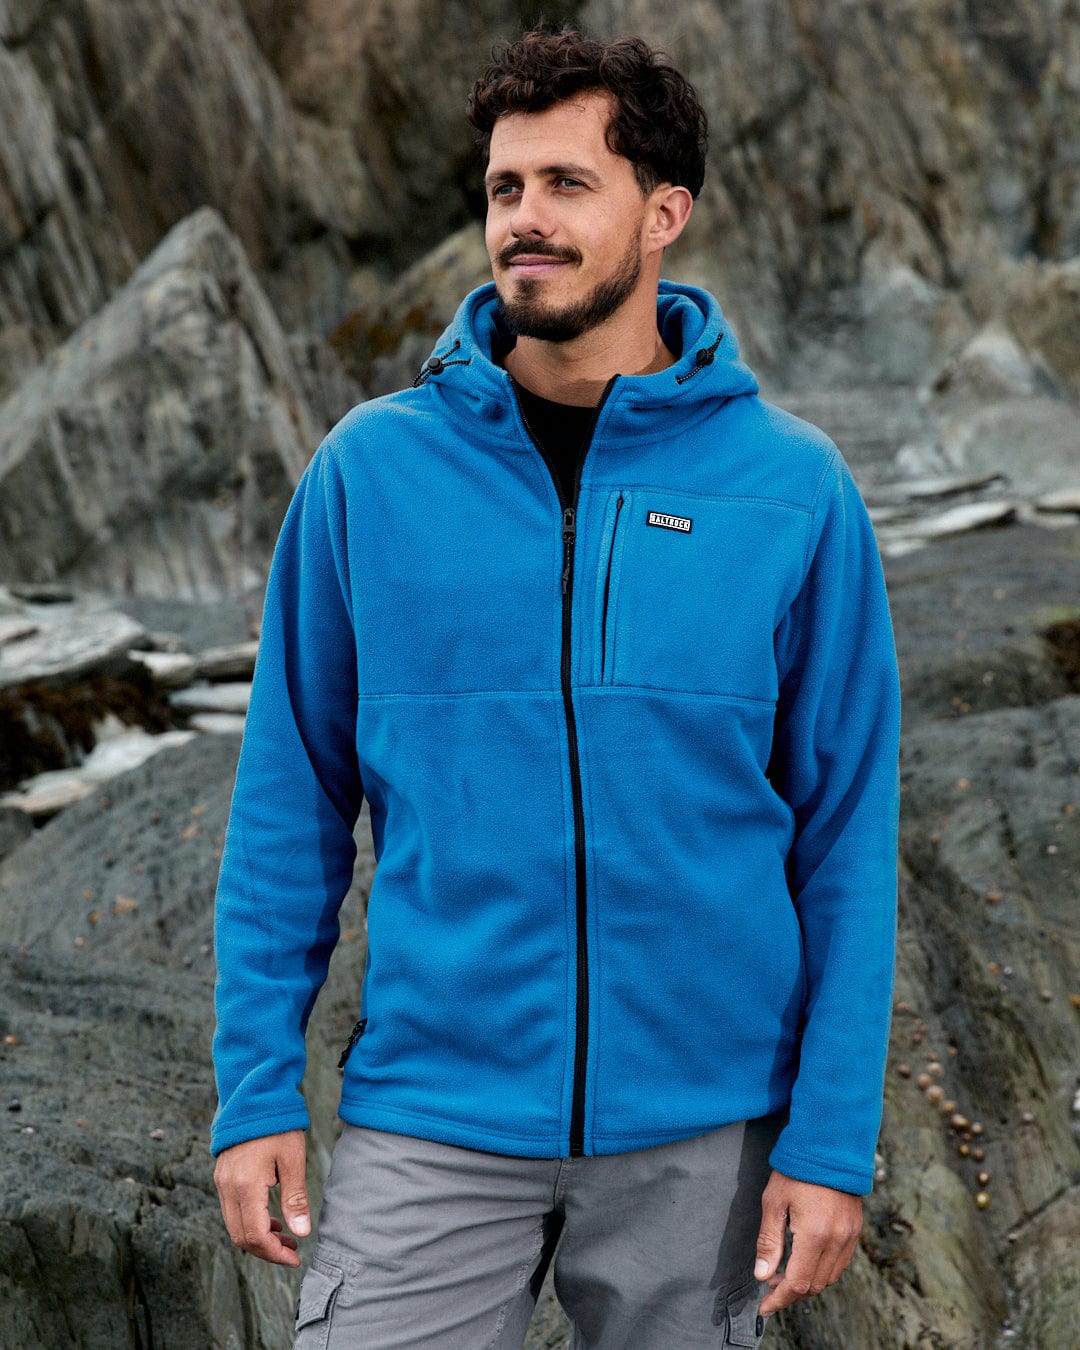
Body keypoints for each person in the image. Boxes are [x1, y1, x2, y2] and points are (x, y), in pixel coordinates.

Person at [211, 26, 900, 1350]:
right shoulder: (370, 476)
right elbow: (287, 807)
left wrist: (833, 1141)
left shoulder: (793, 491)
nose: (525, 220)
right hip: (434, 1115)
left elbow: (846, 841)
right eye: (504, 188)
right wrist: (254, 1095)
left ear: (664, 213)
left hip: (704, 1134)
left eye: (565, 185)